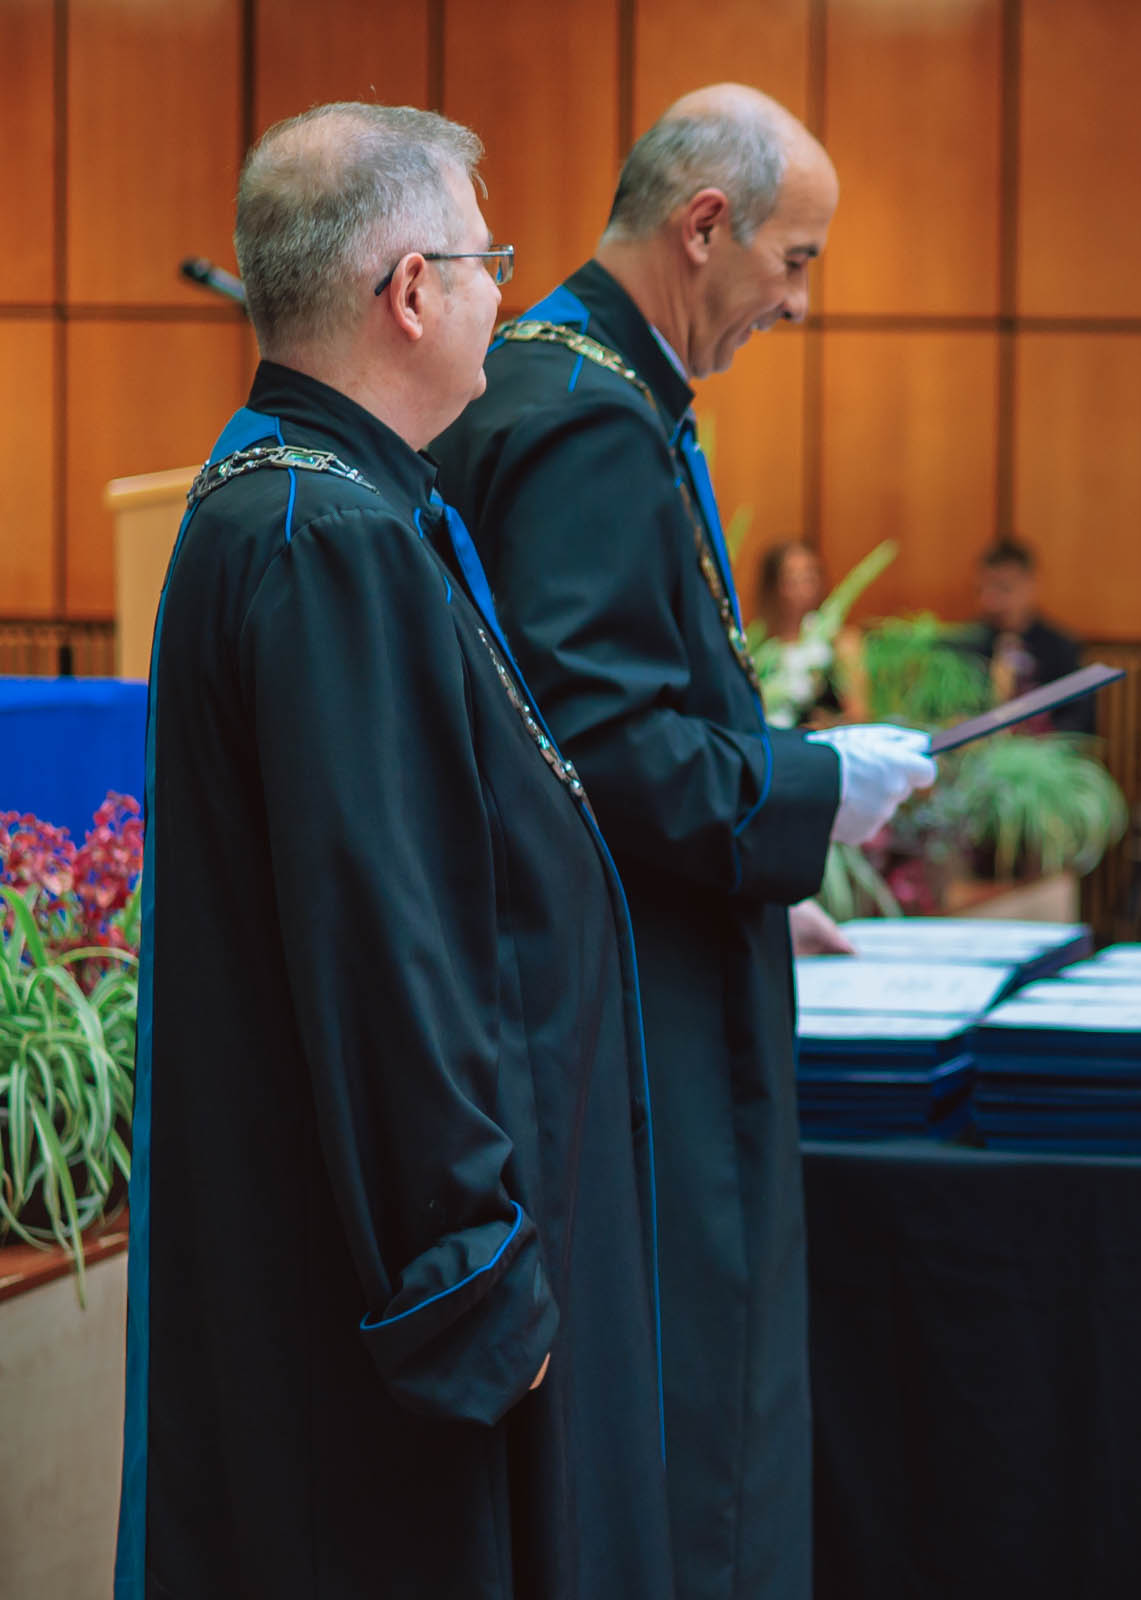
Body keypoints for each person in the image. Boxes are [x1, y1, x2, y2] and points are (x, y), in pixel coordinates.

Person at [118, 104, 672, 1597]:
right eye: (489, 259)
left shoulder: (317, 495)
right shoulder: (326, 534)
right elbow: (385, 939)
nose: (508, 290)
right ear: (412, 290)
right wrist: (468, 1274)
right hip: (391, 1311)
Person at [428, 85, 934, 1600]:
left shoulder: (575, 378)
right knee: (689, 1400)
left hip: (642, 961)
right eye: (795, 260)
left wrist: (777, 878)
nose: (798, 300)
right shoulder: (586, 413)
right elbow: (605, 747)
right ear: (705, 226)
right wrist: (810, 790)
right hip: (632, 1017)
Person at [961, 537, 1095, 735]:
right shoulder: (967, 644)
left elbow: (1079, 721)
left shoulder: (1060, 647)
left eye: (1004, 588)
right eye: (982, 590)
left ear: (1031, 584)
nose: (990, 601)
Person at [750, 539, 847, 725]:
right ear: (773, 585)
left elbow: (859, 715)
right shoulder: (756, 647)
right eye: (791, 579)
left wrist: (825, 723)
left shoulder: (837, 643)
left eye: (809, 577)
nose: (802, 588)